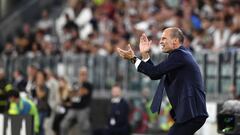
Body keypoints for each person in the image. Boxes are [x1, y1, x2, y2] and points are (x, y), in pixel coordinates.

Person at [117, 27, 208, 135]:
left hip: (191, 113)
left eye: (164, 38)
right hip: (191, 113)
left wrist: (133, 59)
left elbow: (154, 72)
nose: (160, 42)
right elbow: (155, 75)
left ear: (175, 41)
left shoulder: (179, 55)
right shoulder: (179, 55)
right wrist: (145, 55)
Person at [60, 66, 93, 135]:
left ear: (87, 75)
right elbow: (68, 95)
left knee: (85, 128)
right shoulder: (75, 83)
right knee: (63, 125)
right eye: (81, 74)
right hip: (73, 108)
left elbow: (81, 92)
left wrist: (73, 91)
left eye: (84, 74)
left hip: (83, 109)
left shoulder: (88, 85)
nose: (82, 76)